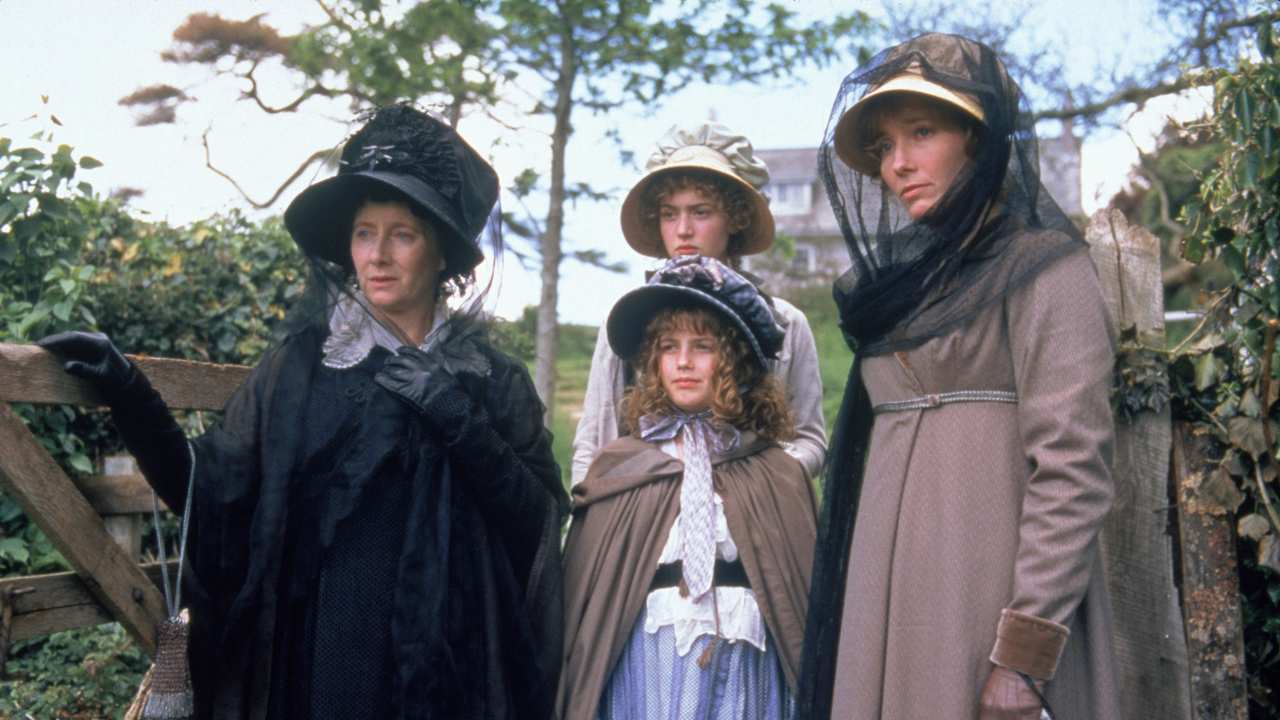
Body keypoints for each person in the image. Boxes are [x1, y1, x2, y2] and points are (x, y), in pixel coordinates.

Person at [39, 105, 567, 719]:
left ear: (442, 252)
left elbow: (537, 526)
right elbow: (209, 492)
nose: (378, 255)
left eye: (403, 233)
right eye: (365, 232)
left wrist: (458, 419)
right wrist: (129, 393)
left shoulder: (491, 380)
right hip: (325, 654)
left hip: (452, 665)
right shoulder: (303, 365)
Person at [797, 34, 1121, 720]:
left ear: (978, 140)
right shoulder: (904, 287)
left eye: (921, 133)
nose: (897, 164)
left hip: (987, 602)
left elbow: (1073, 467)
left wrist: (1024, 657)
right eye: (884, 145)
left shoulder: (1045, 268)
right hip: (888, 606)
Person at [558, 255, 818, 720]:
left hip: (748, 658)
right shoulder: (621, 466)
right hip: (647, 655)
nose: (682, 362)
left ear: (734, 359)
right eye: (668, 346)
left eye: (702, 346)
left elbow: (800, 597)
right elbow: (590, 602)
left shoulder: (776, 471)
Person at [571, 122, 825, 487]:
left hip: (752, 517)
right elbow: (595, 442)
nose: (683, 230)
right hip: (646, 511)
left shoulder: (784, 322)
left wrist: (764, 482)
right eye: (669, 214)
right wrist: (594, 523)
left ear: (734, 219)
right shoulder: (631, 319)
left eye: (701, 212)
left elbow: (811, 440)